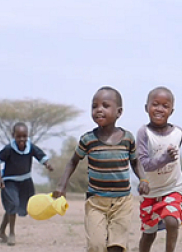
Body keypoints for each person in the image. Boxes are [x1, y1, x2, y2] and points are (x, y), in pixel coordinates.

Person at [52, 86, 150, 252]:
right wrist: (62, 185)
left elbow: (135, 162)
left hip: (122, 202)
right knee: (96, 246)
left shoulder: (127, 138)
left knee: (116, 247)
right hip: (96, 202)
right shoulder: (88, 139)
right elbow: (72, 162)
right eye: (94, 106)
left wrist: (144, 179)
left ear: (119, 112)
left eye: (105, 105)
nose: (98, 110)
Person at [137, 86, 182, 252]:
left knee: (172, 221)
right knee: (148, 234)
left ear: (171, 110)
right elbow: (144, 164)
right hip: (150, 192)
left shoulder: (178, 133)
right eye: (155, 104)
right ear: (146, 108)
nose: (159, 109)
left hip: (173, 188)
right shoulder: (144, 133)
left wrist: (169, 158)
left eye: (165, 106)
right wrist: (165, 158)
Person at [0, 121, 54, 246]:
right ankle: (11, 234)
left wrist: (47, 164)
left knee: (15, 206)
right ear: (13, 136)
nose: (22, 139)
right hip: (10, 181)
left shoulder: (30, 147)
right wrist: (0, 178)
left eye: (24, 136)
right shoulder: (9, 149)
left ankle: (0, 231)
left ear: (27, 136)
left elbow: (40, 156)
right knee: (13, 204)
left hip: (25, 182)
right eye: (18, 136)